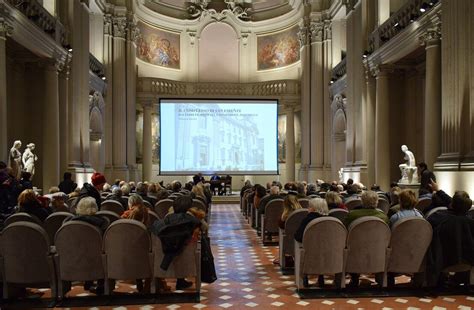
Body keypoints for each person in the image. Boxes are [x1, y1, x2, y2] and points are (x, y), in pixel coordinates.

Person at [426, 191, 474, 287]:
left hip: (442, 261)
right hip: (468, 261)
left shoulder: (437, 217)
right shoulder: (470, 223)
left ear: (452, 204)